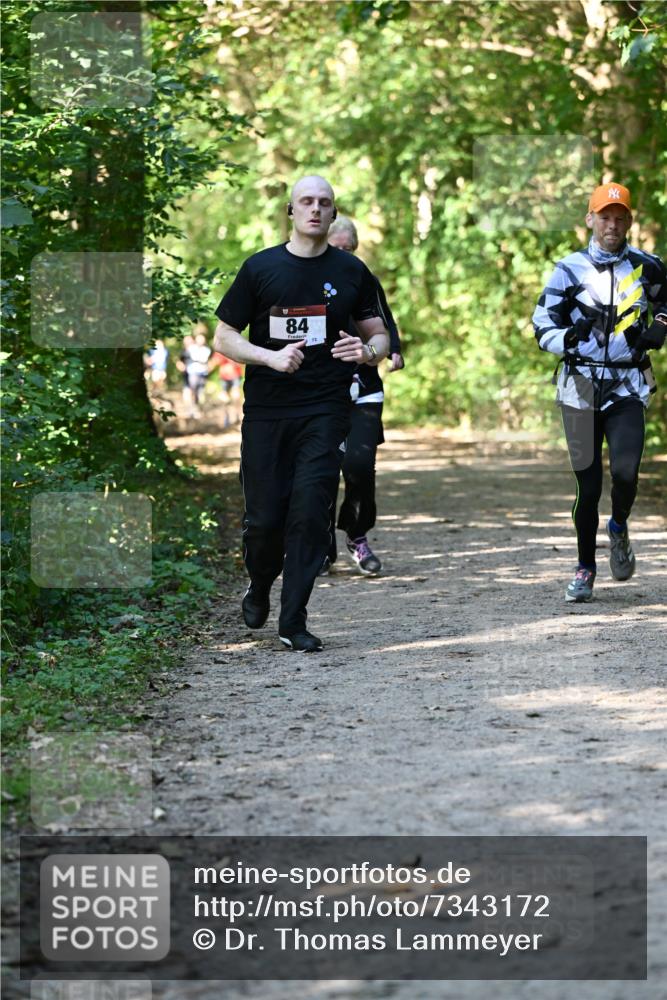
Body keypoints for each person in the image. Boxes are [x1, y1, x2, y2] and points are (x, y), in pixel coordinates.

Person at [213, 175, 389, 651]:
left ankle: (294, 621)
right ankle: (260, 582)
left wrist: (367, 351)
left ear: (334, 213)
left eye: (324, 202)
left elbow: (381, 335)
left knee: (311, 514)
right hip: (268, 411)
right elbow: (223, 335)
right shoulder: (260, 268)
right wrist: (269, 357)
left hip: (325, 409)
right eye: (306, 202)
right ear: (290, 211)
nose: (315, 209)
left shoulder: (352, 272)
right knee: (265, 519)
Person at [533, 181, 667, 603]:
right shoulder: (568, 269)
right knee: (587, 488)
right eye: (604, 216)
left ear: (628, 221)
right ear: (590, 219)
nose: (612, 224)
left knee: (626, 473)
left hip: (628, 383)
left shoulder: (649, 266)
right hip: (580, 386)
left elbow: (666, 305)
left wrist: (660, 327)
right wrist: (567, 337)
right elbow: (541, 325)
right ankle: (585, 567)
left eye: (619, 217)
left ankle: (620, 526)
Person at [323, 216, 404, 576]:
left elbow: (382, 319)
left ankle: (357, 536)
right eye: (337, 249)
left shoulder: (363, 278)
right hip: (322, 391)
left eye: (349, 250)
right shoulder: (309, 280)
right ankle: (320, 545)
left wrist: (395, 349)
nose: (344, 255)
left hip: (365, 389)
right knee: (320, 470)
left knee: (359, 466)